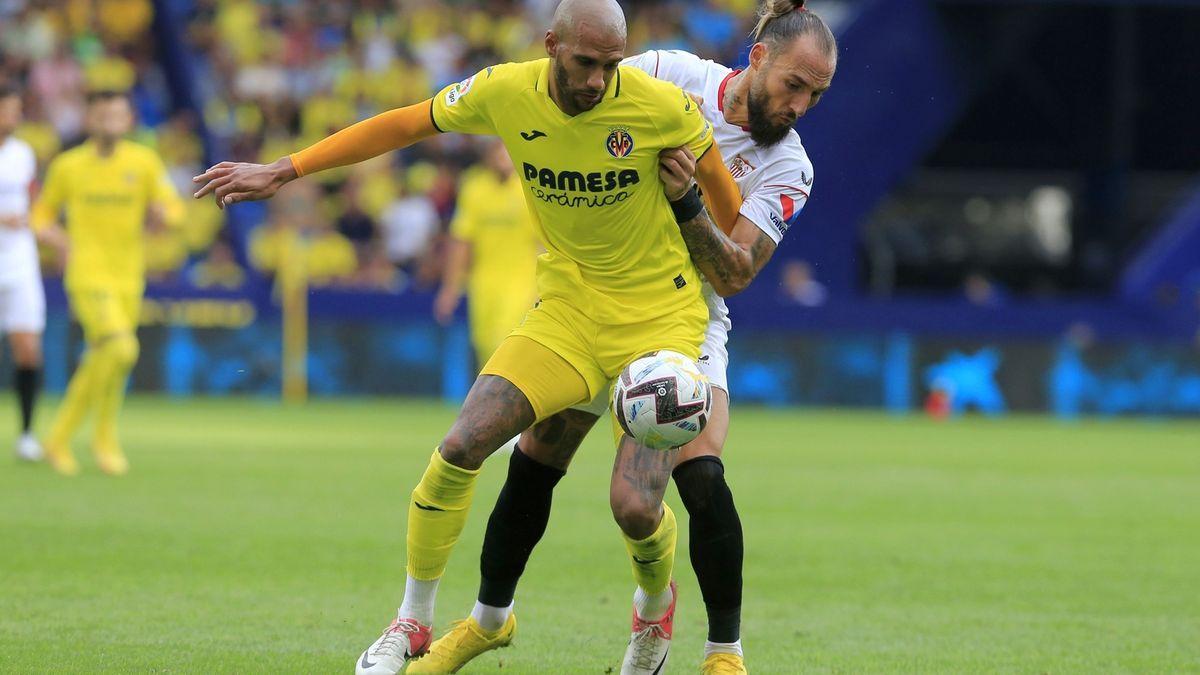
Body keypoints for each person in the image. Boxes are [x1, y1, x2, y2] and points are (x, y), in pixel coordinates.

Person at [190, 1, 744, 672]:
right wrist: (287, 168)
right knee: (462, 443)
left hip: (660, 321)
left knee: (633, 507)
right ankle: (412, 620)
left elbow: (729, 213)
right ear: (551, 46)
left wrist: (689, 196)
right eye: (585, 64)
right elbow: (403, 124)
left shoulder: (661, 108)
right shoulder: (504, 90)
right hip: (567, 312)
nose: (598, 81)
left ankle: (654, 611)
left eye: (611, 66)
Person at [414, 1, 837, 673]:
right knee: (535, 460)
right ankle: (487, 620)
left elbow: (734, 273)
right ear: (757, 57)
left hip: (684, 320)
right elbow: (582, 106)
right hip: (593, 300)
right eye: (795, 85)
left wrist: (689, 202)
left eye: (816, 95)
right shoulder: (669, 74)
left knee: (689, 481)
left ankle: (721, 652)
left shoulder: (790, 167)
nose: (801, 105)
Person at [32, 90, 183, 476]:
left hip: (129, 276)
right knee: (121, 348)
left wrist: (164, 214)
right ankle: (77, 437)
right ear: (89, 121)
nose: (109, 123)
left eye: (117, 116)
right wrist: (52, 235)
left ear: (129, 121)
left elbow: (175, 208)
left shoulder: (143, 162)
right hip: (86, 272)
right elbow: (42, 213)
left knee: (107, 359)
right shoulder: (68, 166)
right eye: (102, 116)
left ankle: (86, 442)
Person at [433, 139, 541, 370]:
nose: (502, 158)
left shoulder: (529, 186)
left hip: (522, 281)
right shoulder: (474, 188)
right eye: (497, 152)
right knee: (483, 344)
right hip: (483, 282)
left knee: (505, 340)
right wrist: (450, 288)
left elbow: (543, 242)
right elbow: (462, 240)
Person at [0, 85, 45, 462]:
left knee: (28, 349)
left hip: (18, 259)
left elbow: (33, 201)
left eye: (15, 110)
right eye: (7, 110)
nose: (12, 117)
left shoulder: (23, 154)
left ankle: (27, 433)